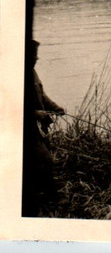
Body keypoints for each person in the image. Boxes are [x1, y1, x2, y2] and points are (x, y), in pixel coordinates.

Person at [23, 39, 65, 217]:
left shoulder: (32, 73)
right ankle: (51, 198)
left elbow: (42, 95)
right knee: (45, 160)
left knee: (43, 159)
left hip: (39, 128)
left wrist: (55, 107)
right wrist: (36, 114)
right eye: (33, 55)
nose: (36, 58)